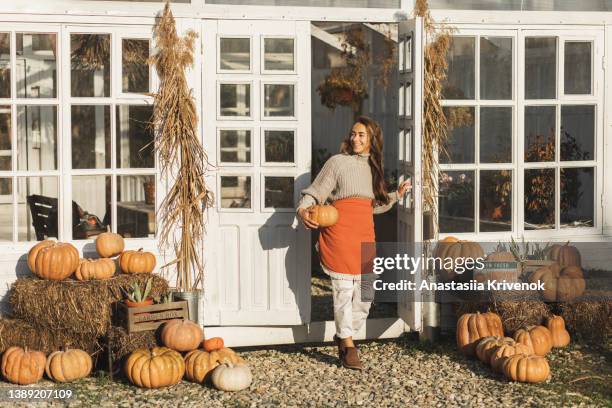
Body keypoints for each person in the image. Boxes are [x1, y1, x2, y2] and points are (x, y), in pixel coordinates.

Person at [296, 116, 411, 370]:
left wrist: (397, 195)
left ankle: (343, 333)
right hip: (339, 235)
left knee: (365, 296)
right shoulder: (337, 163)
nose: (355, 139)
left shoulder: (373, 167)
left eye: (361, 135)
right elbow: (315, 192)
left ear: (372, 139)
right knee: (343, 293)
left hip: (364, 235)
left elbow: (373, 207)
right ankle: (348, 346)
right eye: (353, 134)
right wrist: (304, 210)